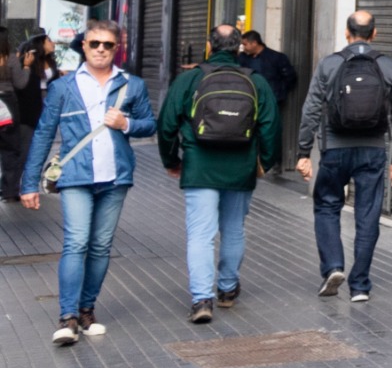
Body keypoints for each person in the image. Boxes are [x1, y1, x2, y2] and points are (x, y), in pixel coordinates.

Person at [16, 21, 155, 346]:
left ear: (116, 47)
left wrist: (127, 123)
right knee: (76, 242)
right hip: (76, 176)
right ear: (84, 46)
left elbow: (150, 124)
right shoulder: (65, 87)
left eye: (108, 44)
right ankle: (67, 317)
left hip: (116, 177)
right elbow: (44, 133)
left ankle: (87, 309)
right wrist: (29, 182)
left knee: (101, 246)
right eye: (95, 44)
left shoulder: (132, 84)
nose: (101, 50)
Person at [158, 23, 284, 323]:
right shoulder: (256, 81)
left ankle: (202, 300)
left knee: (200, 234)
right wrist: (265, 161)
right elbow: (270, 126)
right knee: (233, 229)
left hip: (200, 166)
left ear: (208, 44)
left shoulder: (190, 78)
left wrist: (171, 160)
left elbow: (166, 124)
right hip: (240, 167)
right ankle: (227, 289)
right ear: (239, 46)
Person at [296, 11, 392, 301]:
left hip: (334, 148)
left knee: (326, 206)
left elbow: (310, 110)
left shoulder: (330, 64)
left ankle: (333, 267)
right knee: (368, 215)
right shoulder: (388, 66)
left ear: (347, 33)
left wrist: (303, 151)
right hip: (372, 150)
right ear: (374, 34)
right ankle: (359, 285)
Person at [0, 32, 58, 188]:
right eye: (49, 40)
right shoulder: (26, 61)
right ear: (40, 44)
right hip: (28, 109)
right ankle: (11, 186)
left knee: (42, 145)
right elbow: (21, 85)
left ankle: (28, 183)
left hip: (48, 105)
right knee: (22, 149)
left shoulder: (50, 61)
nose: (53, 43)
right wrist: (25, 65)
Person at [240, 30, 299, 178]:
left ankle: (274, 163)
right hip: (247, 102)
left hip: (271, 102)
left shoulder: (276, 58)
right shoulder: (241, 59)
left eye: (245, 44)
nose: (243, 48)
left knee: (271, 132)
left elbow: (290, 77)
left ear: (255, 43)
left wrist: (280, 92)